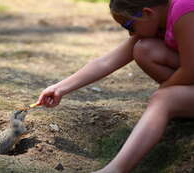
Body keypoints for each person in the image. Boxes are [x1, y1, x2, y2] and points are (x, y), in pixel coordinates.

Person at [36, 0, 194, 172]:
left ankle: (116, 169)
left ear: (147, 13)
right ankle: (175, 107)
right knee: (144, 49)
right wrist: (59, 88)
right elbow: (106, 62)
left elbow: (190, 70)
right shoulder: (159, 21)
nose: (130, 33)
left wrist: (162, 95)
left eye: (129, 26)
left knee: (162, 99)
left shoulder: (184, 9)